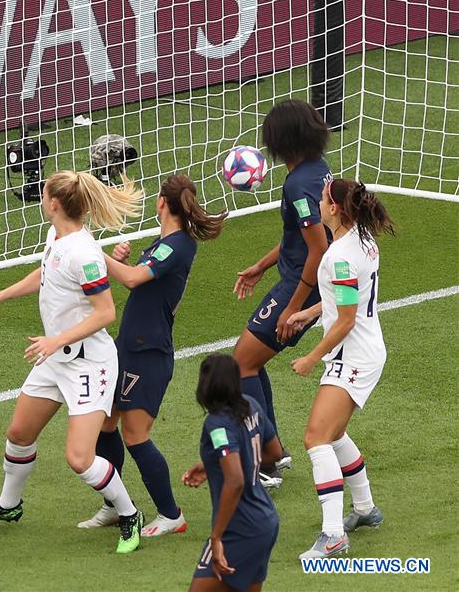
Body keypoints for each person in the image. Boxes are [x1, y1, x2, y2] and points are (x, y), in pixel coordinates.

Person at [0, 170, 146, 554]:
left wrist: (56, 340)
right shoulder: (56, 237)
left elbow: (106, 312)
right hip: (55, 357)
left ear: (55, 204)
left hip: (88, 365)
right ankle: (9, 506)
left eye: (44, 194)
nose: (42, 199)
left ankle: (129, 514)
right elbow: (47, 273)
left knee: (79, 458)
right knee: (19, 433)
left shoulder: (84, 254)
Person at [78, 174, 226, 536]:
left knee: (135, 435)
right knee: (106, 423)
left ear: (161, 202)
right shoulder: (164, 244)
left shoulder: (177, 246)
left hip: (148, 353)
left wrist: (96, 254)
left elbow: (132, 280)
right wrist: (120, 262)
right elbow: (136, 280)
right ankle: (114, 506)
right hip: (128, 346)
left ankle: (171, 514)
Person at [286, 180, 394, 559]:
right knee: (332, 434)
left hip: (353, 357)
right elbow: (347, 296)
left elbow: (346, 319)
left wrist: (311, 357)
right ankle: (365, 509)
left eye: (322, 199)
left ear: (334, 209)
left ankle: (333, 535)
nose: (318, 203)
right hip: (364, 350)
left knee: (316, 437)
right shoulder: (363, 240)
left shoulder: (340, 256)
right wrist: (311, 312)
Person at [231, 99, 332, 488]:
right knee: (250, 362)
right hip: (299, 279)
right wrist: (262, 265)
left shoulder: (297, 185)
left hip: (303, 285)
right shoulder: (317, 170)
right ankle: (273, 450)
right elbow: (298, 237)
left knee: (241, 364)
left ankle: (267, 456)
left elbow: (318, 248)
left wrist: (294, 308)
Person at [183, 354, 283, 592]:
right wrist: (212, 465)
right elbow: (275, 452)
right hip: (266, 520)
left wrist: (216, 537)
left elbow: (235, 480)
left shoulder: (216, 423)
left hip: (239, 528)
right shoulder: (251, 405)